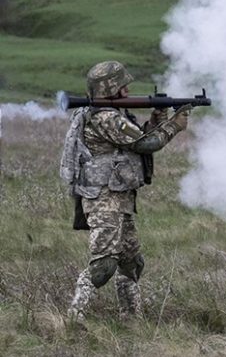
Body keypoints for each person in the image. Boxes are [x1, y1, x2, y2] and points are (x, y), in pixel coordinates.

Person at [62, 60, 190, 324]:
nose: (128, 91)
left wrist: (157, 118)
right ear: (113, 88)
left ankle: (130, 319)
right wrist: (175, 125)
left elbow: (133, 142)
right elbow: (147, 143)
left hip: (120, 197)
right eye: (124, 86)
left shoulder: (114, 114)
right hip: (103, 198)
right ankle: (74, 318)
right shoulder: (105, 117)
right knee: (103, 264)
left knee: (131, 262)